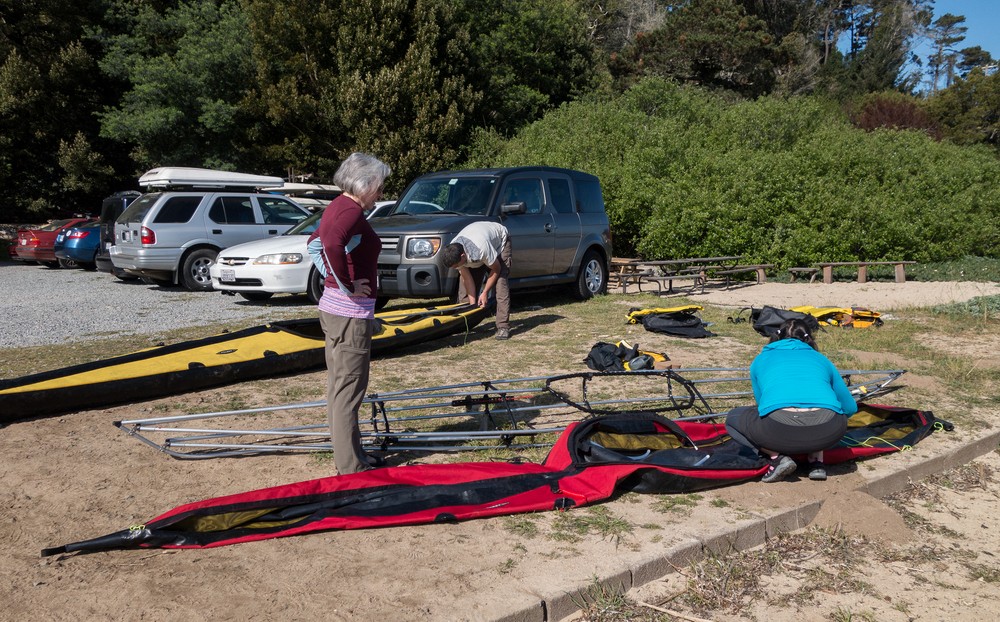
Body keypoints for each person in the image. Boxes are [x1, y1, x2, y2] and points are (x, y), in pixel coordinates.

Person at [309, 152, 391, 475]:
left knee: (341, 387)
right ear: (365, 182)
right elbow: (328, 244)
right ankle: (350, 467)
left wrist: (335, 280)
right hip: (348, 315)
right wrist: (346, 284)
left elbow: (313, 244)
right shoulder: (348, 210)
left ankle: (354, 454)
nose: (381, 194)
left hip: (341, 312)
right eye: (379, 187)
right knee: (349, 389)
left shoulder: (341, 207)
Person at [725, 318, 858, 483]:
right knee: (825, 411)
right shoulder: (822, 360)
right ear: (809, 338)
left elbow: (763, 407)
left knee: (733, 418)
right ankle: (816, 461)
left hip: (778, 429)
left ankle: (776, 458)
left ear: (777, 337)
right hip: (830, 431)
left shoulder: (761, 359)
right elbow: (850, 407)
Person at [441, 221, 512, 340]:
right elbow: (467, 279)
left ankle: (503, 326)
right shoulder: (454, 249)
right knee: (464, 291)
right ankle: (466, 324)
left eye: (456, 265)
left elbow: (496, 269)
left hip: (500, 243)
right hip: (477, 249)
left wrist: (484, 293)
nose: (455, 268)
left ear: (463, 256)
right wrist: (473, 305)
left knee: (501, 284)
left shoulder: (481, 248)